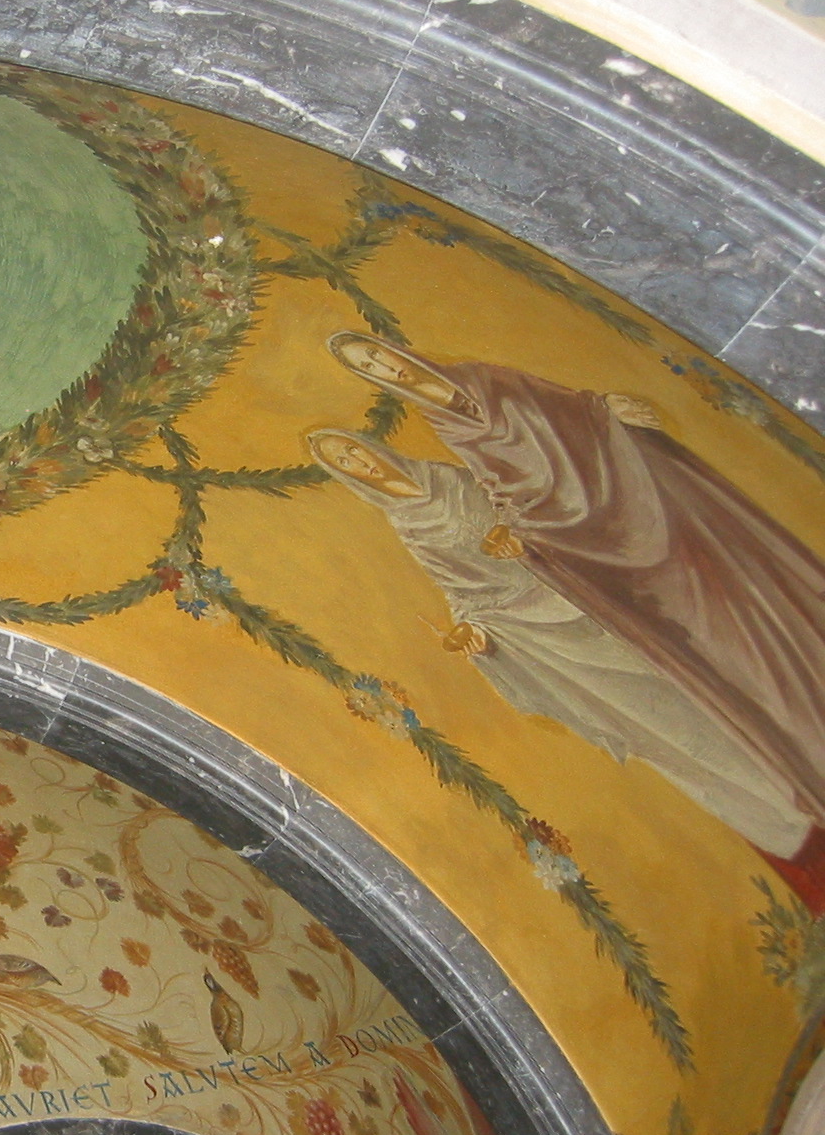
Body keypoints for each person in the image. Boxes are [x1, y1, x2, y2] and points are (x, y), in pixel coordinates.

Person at [329, 332, 825, 871]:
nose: (358, 461)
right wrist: (475, 627)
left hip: (621, 543)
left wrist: (602, 415)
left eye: (375, 356)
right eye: (344, 462)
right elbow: (464, 585)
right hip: (567, 605)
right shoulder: (414, 519)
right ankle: (783, 805)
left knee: (732, 645)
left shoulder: (464, 433)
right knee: (675, 716)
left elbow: (559, 431)